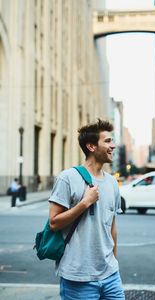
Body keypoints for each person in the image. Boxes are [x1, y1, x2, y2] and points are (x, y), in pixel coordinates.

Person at [49, 119, 125, 300]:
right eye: (107, 141)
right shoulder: (67, 178)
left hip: (111, 276)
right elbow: (54, 223)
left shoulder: (113, 183)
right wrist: (84, 203)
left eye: (112, 141)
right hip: (78, 278)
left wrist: (114, 262)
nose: (113, 146)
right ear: (91, 146)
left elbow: (112, 227)